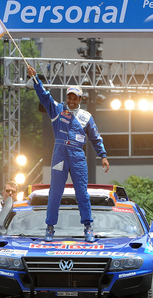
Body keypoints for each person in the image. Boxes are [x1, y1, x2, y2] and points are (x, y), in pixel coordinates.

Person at [26, 65, 110, 242]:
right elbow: (44, 96)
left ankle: (88, 228)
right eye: (69, 97)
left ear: (80, 99)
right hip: (60, 153)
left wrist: (103, 155)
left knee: (82, 193)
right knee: (55, 191)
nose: (71, 101)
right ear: (66, 98)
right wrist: (35, 79)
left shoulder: (87, 116)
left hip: (78, 155)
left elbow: (95, 137)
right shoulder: (57, 109)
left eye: (75, 98)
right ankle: (50, 227)